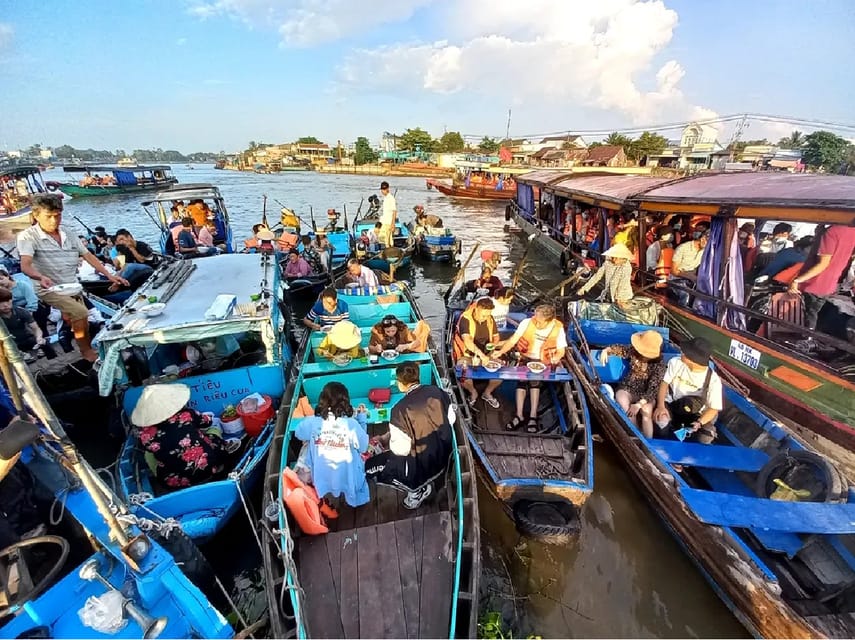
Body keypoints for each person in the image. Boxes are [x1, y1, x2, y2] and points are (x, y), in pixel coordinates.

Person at [17, 194, 127, 361]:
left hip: (72, 285)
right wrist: (40, 277)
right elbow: (25, 265)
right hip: (48, 287)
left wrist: (110, 276)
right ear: (36, 215)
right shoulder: (27, 236)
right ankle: (86, 351)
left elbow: (88, 255)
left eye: (58, 215)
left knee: (79, 317)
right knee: (80, 312)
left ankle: (73, 338)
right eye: (49, 216)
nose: (54, 220)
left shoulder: (68, 232)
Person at [364, 362, 454, 509]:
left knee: (369, 468)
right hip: (443, 457)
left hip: (420, 466)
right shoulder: (437, 392)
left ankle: (417, 490)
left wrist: (388, 439)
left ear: (401, 384)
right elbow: (451, 419)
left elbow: (401, 450)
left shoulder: (399, 410)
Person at [130, 384, 233, 490]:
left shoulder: (145, 435)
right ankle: (218, 469)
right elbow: (207, 422)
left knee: (148, 454)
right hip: (209, 466)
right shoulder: (186, 415)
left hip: (175, 481)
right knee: (213, 431)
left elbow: (148, 447)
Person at [294, 382, 370, 507]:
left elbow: (299, 433)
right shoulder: (350, 424)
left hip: (322, 476)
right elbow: (363, 447)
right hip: (348, 476)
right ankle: (355, 502)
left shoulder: (312, 422)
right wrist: (361, 419)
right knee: (356, 473)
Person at [492, 304, 567, 433]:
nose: (536, 322)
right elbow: (513, 340)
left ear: (548, 321)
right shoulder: (527, 323)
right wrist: (500, 352)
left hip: (542, 360)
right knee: (521, 382)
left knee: (535, 383)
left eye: (539, 321)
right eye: (535, 318)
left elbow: (561, 350)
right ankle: (519, 415)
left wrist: (556, 358)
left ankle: (533, 416)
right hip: (525, 357)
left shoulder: (557, 328)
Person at [790, 224, 855, 341]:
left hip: (814, 283)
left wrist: (797, 280)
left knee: (810, 316)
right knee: (817, 316)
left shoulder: (832, 232)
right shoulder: (851, 232)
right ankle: (811, 342)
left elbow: (823, 264)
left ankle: (805, 342)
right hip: (831, 284)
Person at [653, 337, 723, 444]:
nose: (681, 352)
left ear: (692, 359)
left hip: (697, 413)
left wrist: (699, 422)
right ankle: (663, 443)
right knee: (661, 421)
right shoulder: (675, 363)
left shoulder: (713, 380)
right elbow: (664, 384)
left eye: (685, 352)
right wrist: (661, 406)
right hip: (672, 404)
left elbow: (714, 409)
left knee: (706, 435)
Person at [598, 330, 666, 437]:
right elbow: (620, 349)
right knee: (624, 402)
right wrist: (606, 350)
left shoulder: (659, 365)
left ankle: (648, 440)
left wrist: (639, 404)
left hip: (646, 395)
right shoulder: (634, 351)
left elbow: (653, 389)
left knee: (647, 410)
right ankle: (635, 435)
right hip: (628, 387)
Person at [452, 297, 502, 408]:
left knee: (500, 373)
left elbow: (496, 336)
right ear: (477, 309)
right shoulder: (466, 319)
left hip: (487, 355)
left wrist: (493, 345)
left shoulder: (489, 318)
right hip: (468, 356)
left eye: (488, 315)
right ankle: (473, 392)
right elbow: (468, 342)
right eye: (484, 315)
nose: (485, 318)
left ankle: (487, 393)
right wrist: (481, 355)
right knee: (463, 374)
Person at [670, 224, 709, 306]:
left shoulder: (706, 251)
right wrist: (690, 276)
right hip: (677, 279)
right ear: (702, 239)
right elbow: (673, 271)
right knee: (685, 295)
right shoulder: (683, 248)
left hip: (692, 279)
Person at [0, 289, 45, 359]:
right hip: (8, 343)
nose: (5, 305)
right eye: (1, 302)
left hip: (25, 338)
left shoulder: (21, 311)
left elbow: (36, 328)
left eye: (8, 300)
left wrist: (39, 337)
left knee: (44, 343)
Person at [379, 181, 397, 248]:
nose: (383, 191)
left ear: (387, 189)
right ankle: (389, 250)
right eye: (382, 189)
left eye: (384, 189)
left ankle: (389, 251)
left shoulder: (391, 198)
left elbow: (394, 211)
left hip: (389, 222)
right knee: (388, 239)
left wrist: (393, 223)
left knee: (387, 239)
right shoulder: (385, 198)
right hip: (385, 221)